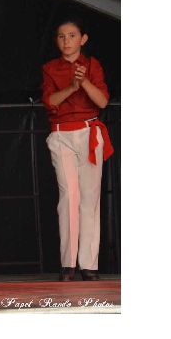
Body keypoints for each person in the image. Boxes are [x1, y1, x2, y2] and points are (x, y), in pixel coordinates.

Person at [41, 16, 114, 281]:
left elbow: (102, 102)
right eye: (61, 36)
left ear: (83, 39)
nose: (66, 41)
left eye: (72, 36)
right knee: (68, 196)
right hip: (62, 135)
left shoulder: (92, 65)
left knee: (90, 197)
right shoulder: (50, 68)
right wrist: (72, 86)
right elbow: (50, 102)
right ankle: (68, 263)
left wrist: (83, 82)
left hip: (89, 132)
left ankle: (88, 264)